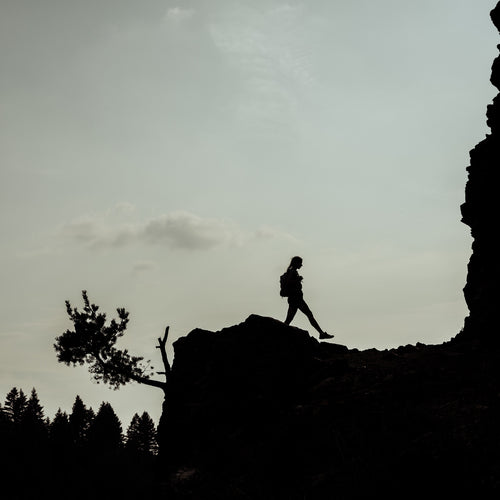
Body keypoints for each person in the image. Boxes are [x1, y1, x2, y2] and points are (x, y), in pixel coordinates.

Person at [283, 256, 334, 340]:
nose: (301, 265)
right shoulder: (293, 272)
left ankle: (321, 333)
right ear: (296, 263)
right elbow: (289, 282)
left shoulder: (291, 271)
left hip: (295, 299)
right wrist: (298, 280)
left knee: (289, 319)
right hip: (296, 299)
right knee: (309, 315)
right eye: (300, 263)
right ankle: (321, 333)